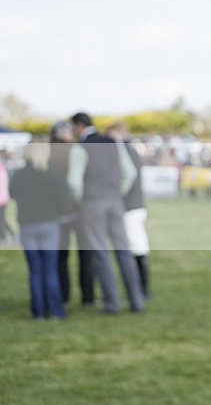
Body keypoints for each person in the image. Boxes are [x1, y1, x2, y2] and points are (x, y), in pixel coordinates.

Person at [68, 112, 145, 313]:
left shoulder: (80, 148)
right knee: (124, 251)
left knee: (101, 253)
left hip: (92, 202)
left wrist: (81, 200)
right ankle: (137, 301)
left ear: (78, 126)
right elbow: (129, 172)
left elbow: (74, 183)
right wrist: (117, 193)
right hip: (115, 201)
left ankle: (113, 304)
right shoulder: (113, 142)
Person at [9, 138, 70, 319]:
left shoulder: (20, 175)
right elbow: (62, 199)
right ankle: (56, 311)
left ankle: (38, 312)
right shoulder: (52, 174)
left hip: (28, 225)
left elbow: (13, 193)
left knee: (35, 270)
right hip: (49, 224)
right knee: (50, 269)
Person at [50, 120, 96, 306]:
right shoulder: (76, 151)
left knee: (61, 256)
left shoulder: (48, 153)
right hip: (78, 208)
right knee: (85, 255)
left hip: (59, 210)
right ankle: (88, 298)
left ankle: (64, 297)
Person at [106, 122, 151, 299]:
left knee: (136, 247)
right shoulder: (130, 149)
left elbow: (128, 176)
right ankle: (139, 289)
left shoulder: (123, 149)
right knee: (136, 246)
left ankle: (141, 290)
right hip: (134, 205)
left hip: (130, 206)